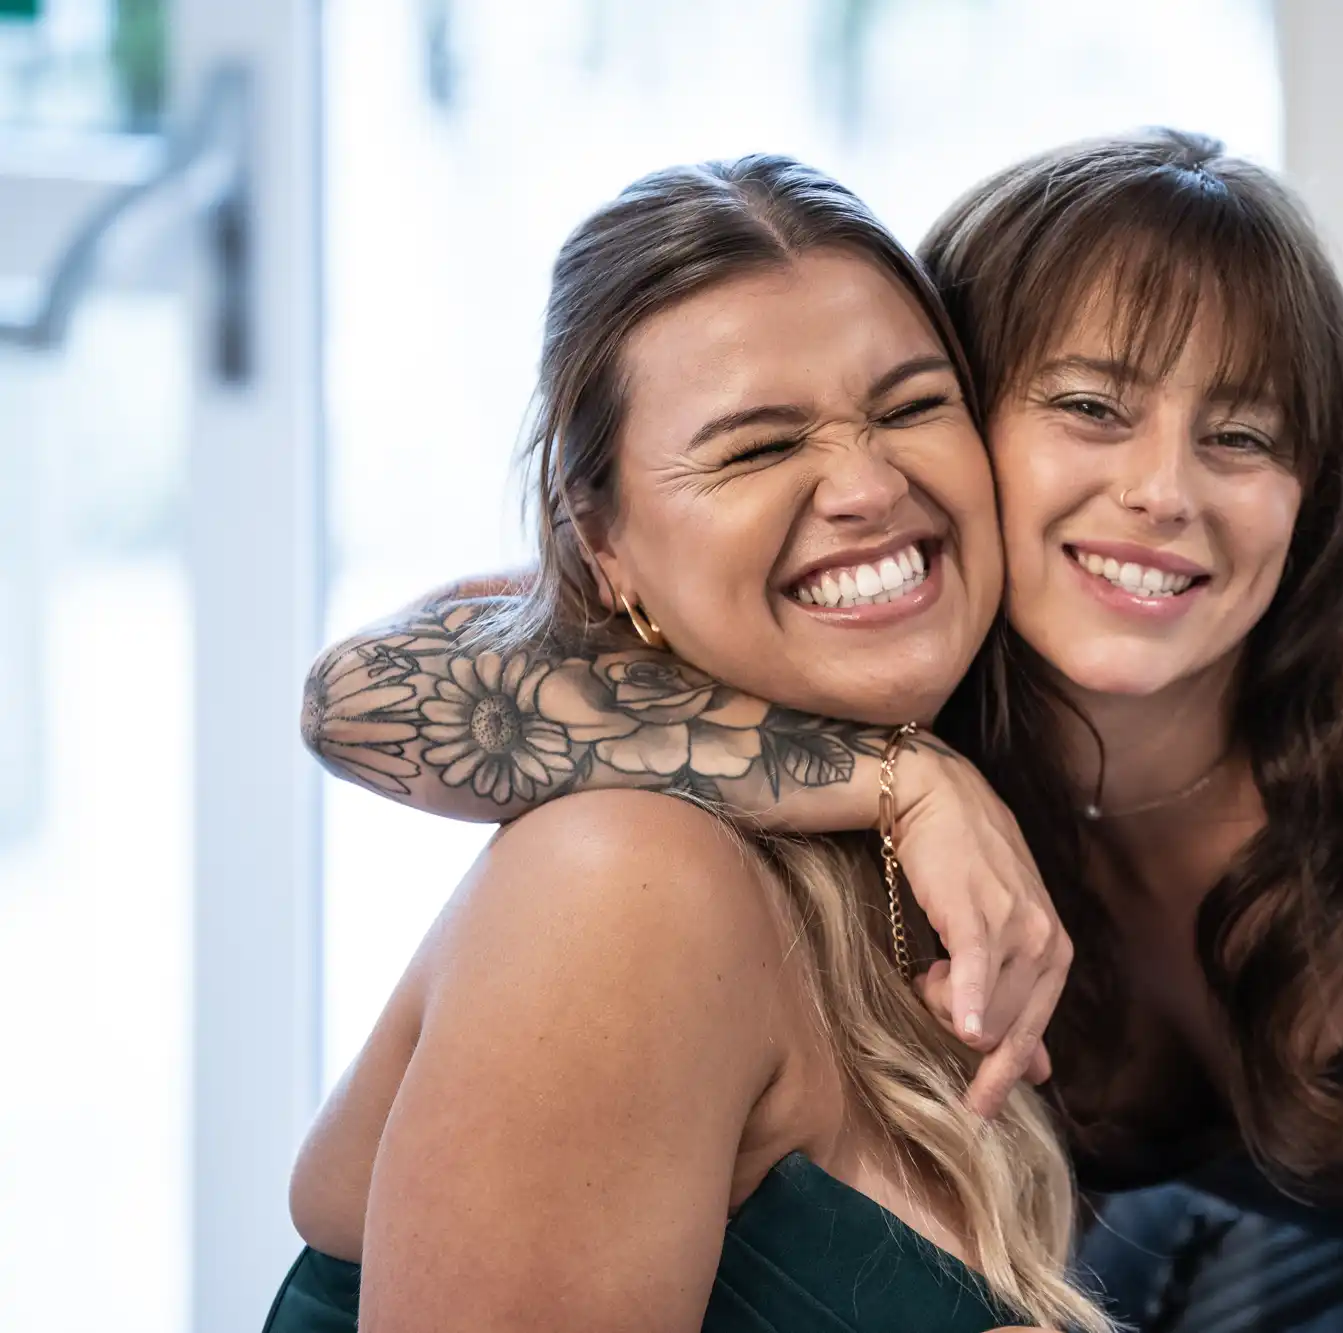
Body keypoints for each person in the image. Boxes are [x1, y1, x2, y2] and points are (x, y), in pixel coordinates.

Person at [304, 131, 1343, 1332]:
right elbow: (374, 685)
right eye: (1090, 408)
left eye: (1243, 438)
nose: (1161, 493)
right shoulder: (888, 678)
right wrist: (887, 770)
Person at [269, 155, 1112, 1333]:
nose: (866, 485)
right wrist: (893, 775)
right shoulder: (620, 884)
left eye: (912, 406)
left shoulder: (933, 854)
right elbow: (361, 688)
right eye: (756, 447)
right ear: (601, 543)